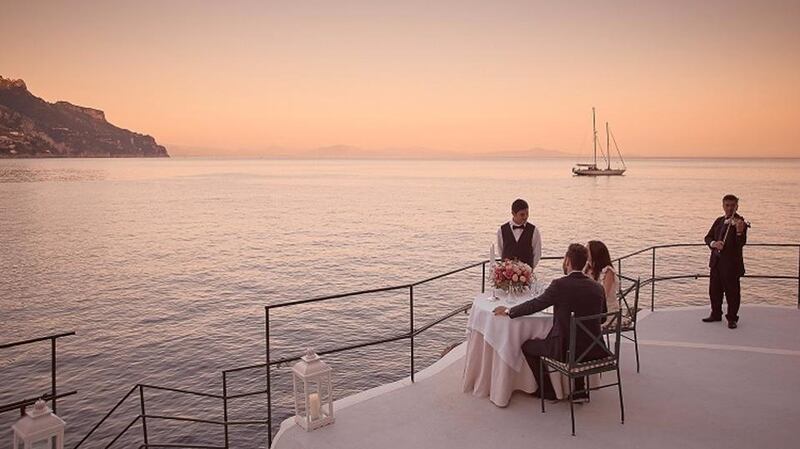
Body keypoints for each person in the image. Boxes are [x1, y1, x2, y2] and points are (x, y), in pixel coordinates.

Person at [493, 243, 607, 401]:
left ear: (567, 261)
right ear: (586, 262)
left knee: (527, 346)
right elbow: (603, 318)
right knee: (577, 336)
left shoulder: (560, 285)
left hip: (565, 351)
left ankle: (547, 391)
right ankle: (579, 391)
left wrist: (509, 311)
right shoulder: (597, 288)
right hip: (595, 350)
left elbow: (536, 304)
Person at [703, 194, 748, 329]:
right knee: (714, 291)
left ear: (737, 207)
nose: (729, 209)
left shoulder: (740, 223)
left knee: (732, 293)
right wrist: (714, 243)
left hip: (731, 265)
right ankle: (716, 314)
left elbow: (741, 243)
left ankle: (732, 318)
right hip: (716, 263)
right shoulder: (719, 221)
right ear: (723, 206)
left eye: (732, 206)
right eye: (727, 205)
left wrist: (739, 232)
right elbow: (707, 237)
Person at [496, 198, 542, 269]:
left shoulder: (534, 230)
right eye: (522, 214)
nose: (525, 217)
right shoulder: (501, 230)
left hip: (527, 275)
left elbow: (537, 253)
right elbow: (501, 250)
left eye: (527, 213)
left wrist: (529, 270)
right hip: (506, 276)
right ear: (513, 214)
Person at [585, 240, 620, 328]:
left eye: (587, 251)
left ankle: (591, 341)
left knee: (580, 323)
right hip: (591, 307)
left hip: (606, 311)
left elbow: (604, 295)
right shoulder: (587, 268)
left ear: (595, 254)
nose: (584, 253)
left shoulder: (608, 272)